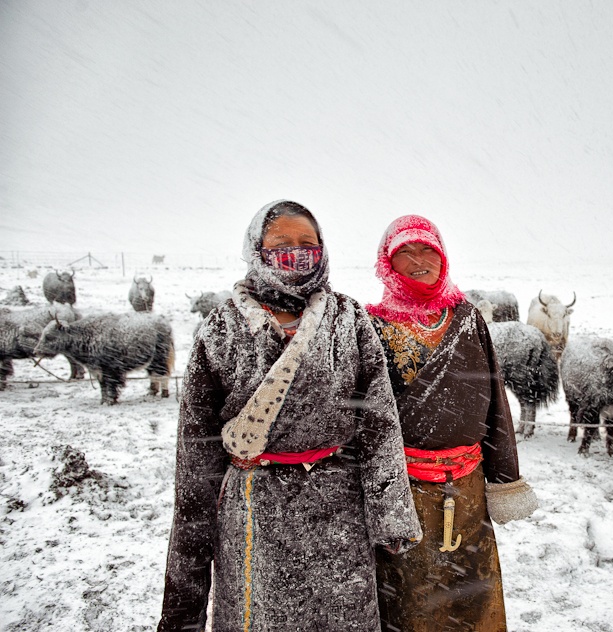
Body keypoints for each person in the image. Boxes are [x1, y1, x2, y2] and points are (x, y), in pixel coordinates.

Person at [158, 200, 421, 631]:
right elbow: (196, 453)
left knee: (342, 615)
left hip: (339, 508)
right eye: (281, 245)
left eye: (307, 244)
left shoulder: (349, 319)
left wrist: (389, 511)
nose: (296, 253)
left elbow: (378, 423)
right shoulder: (221, 327)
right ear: (256, 251)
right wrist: (185, 591)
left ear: (323, 250)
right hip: (252, 509)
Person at [366, 214, 538, 632]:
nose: (419, 260)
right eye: (404, 252)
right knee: (410, 598)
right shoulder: (372, 326)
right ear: (388, 264)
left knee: (473, 595)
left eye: (428, 249)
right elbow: (366, 418)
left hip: (468, 490)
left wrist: (505, 477)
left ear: (443, 257)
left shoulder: (466, 319)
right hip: (404, 493)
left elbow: (495, 401)